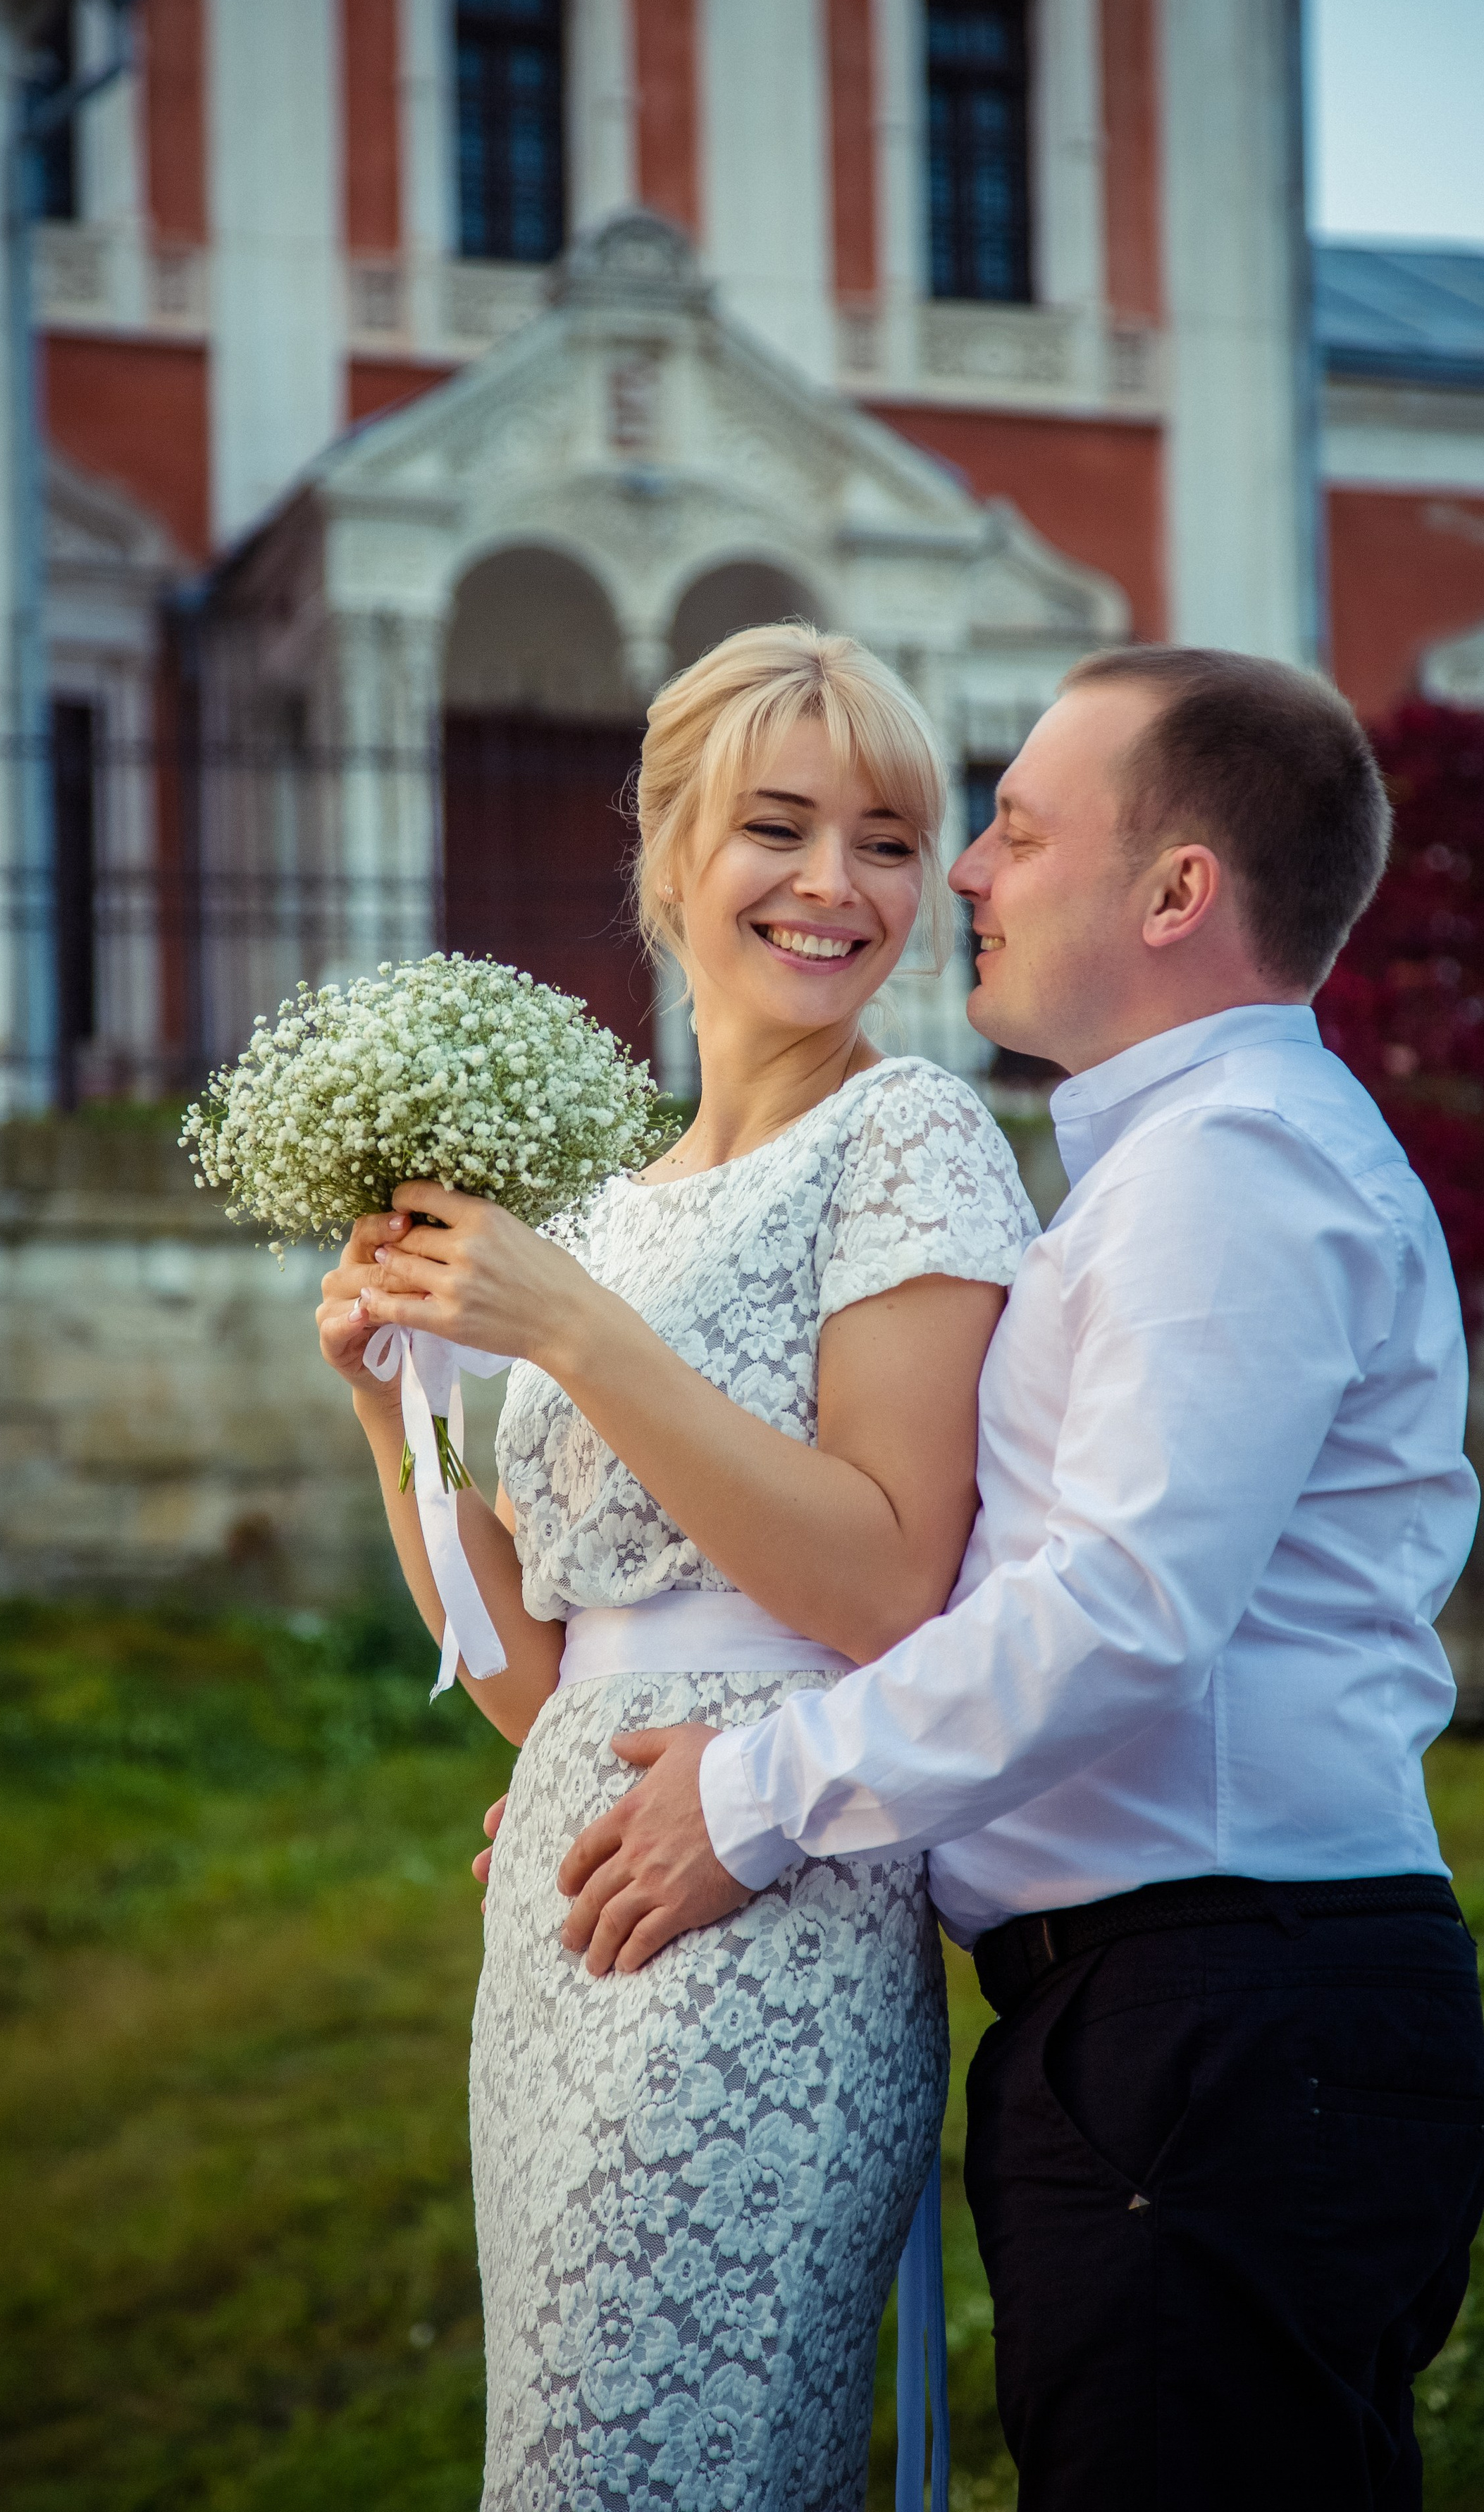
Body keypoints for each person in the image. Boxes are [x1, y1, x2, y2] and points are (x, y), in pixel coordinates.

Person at [557, 645, 1484, 2511]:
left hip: (1223, 2011)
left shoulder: (1230, 1176)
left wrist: (749, 1798)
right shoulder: (1174, 1175)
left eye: (1013, 827)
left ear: (1176, 894)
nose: (965, 874)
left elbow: (1122, 1618)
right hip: (1179, 2016)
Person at [314, 625, 1034, 2508]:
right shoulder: (611, 1208)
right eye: (778, 827)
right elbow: (531, 1681)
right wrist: (394, 1419)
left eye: (889, 838)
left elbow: (887, 1589)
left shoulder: (910, 1137)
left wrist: (565, 1331)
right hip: (567, 1903)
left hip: (771, 1892)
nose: (837, 885)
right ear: (665, 853)